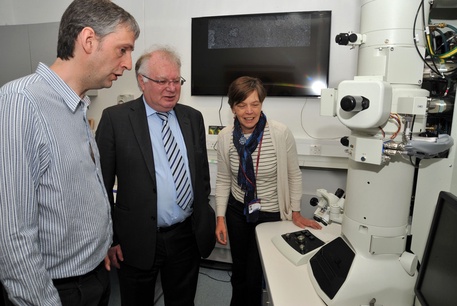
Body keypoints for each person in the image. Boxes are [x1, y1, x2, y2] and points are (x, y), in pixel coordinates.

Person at [0, 0, 140, 305]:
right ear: (88, 40)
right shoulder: (21, 102)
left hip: (94, 275)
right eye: (123, 50)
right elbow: (12, 235)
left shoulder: (78, 104)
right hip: (58, 290)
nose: (129, 63)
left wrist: (99, 245)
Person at [95, 46, 216, 306]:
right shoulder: (116, 120)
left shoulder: (192, 118)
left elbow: (201, 176)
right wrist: (111, 239)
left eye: (176, 81)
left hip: (186, 237)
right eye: (162, 81)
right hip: (136, 240)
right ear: (142, 81)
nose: (171, 88)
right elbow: (100, 187)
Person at [215, 76, 323, 305]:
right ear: (232, 107)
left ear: (262, 104)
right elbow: (224, 179)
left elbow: (294, 174)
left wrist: (295, 211)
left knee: (254, 275)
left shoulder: (279, 133)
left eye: (255, 104)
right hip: (237, 212)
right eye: (242, 105)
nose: (249, 111)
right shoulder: (225, 138)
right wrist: (220, 217)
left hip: (270, 214)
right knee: (239, 270)